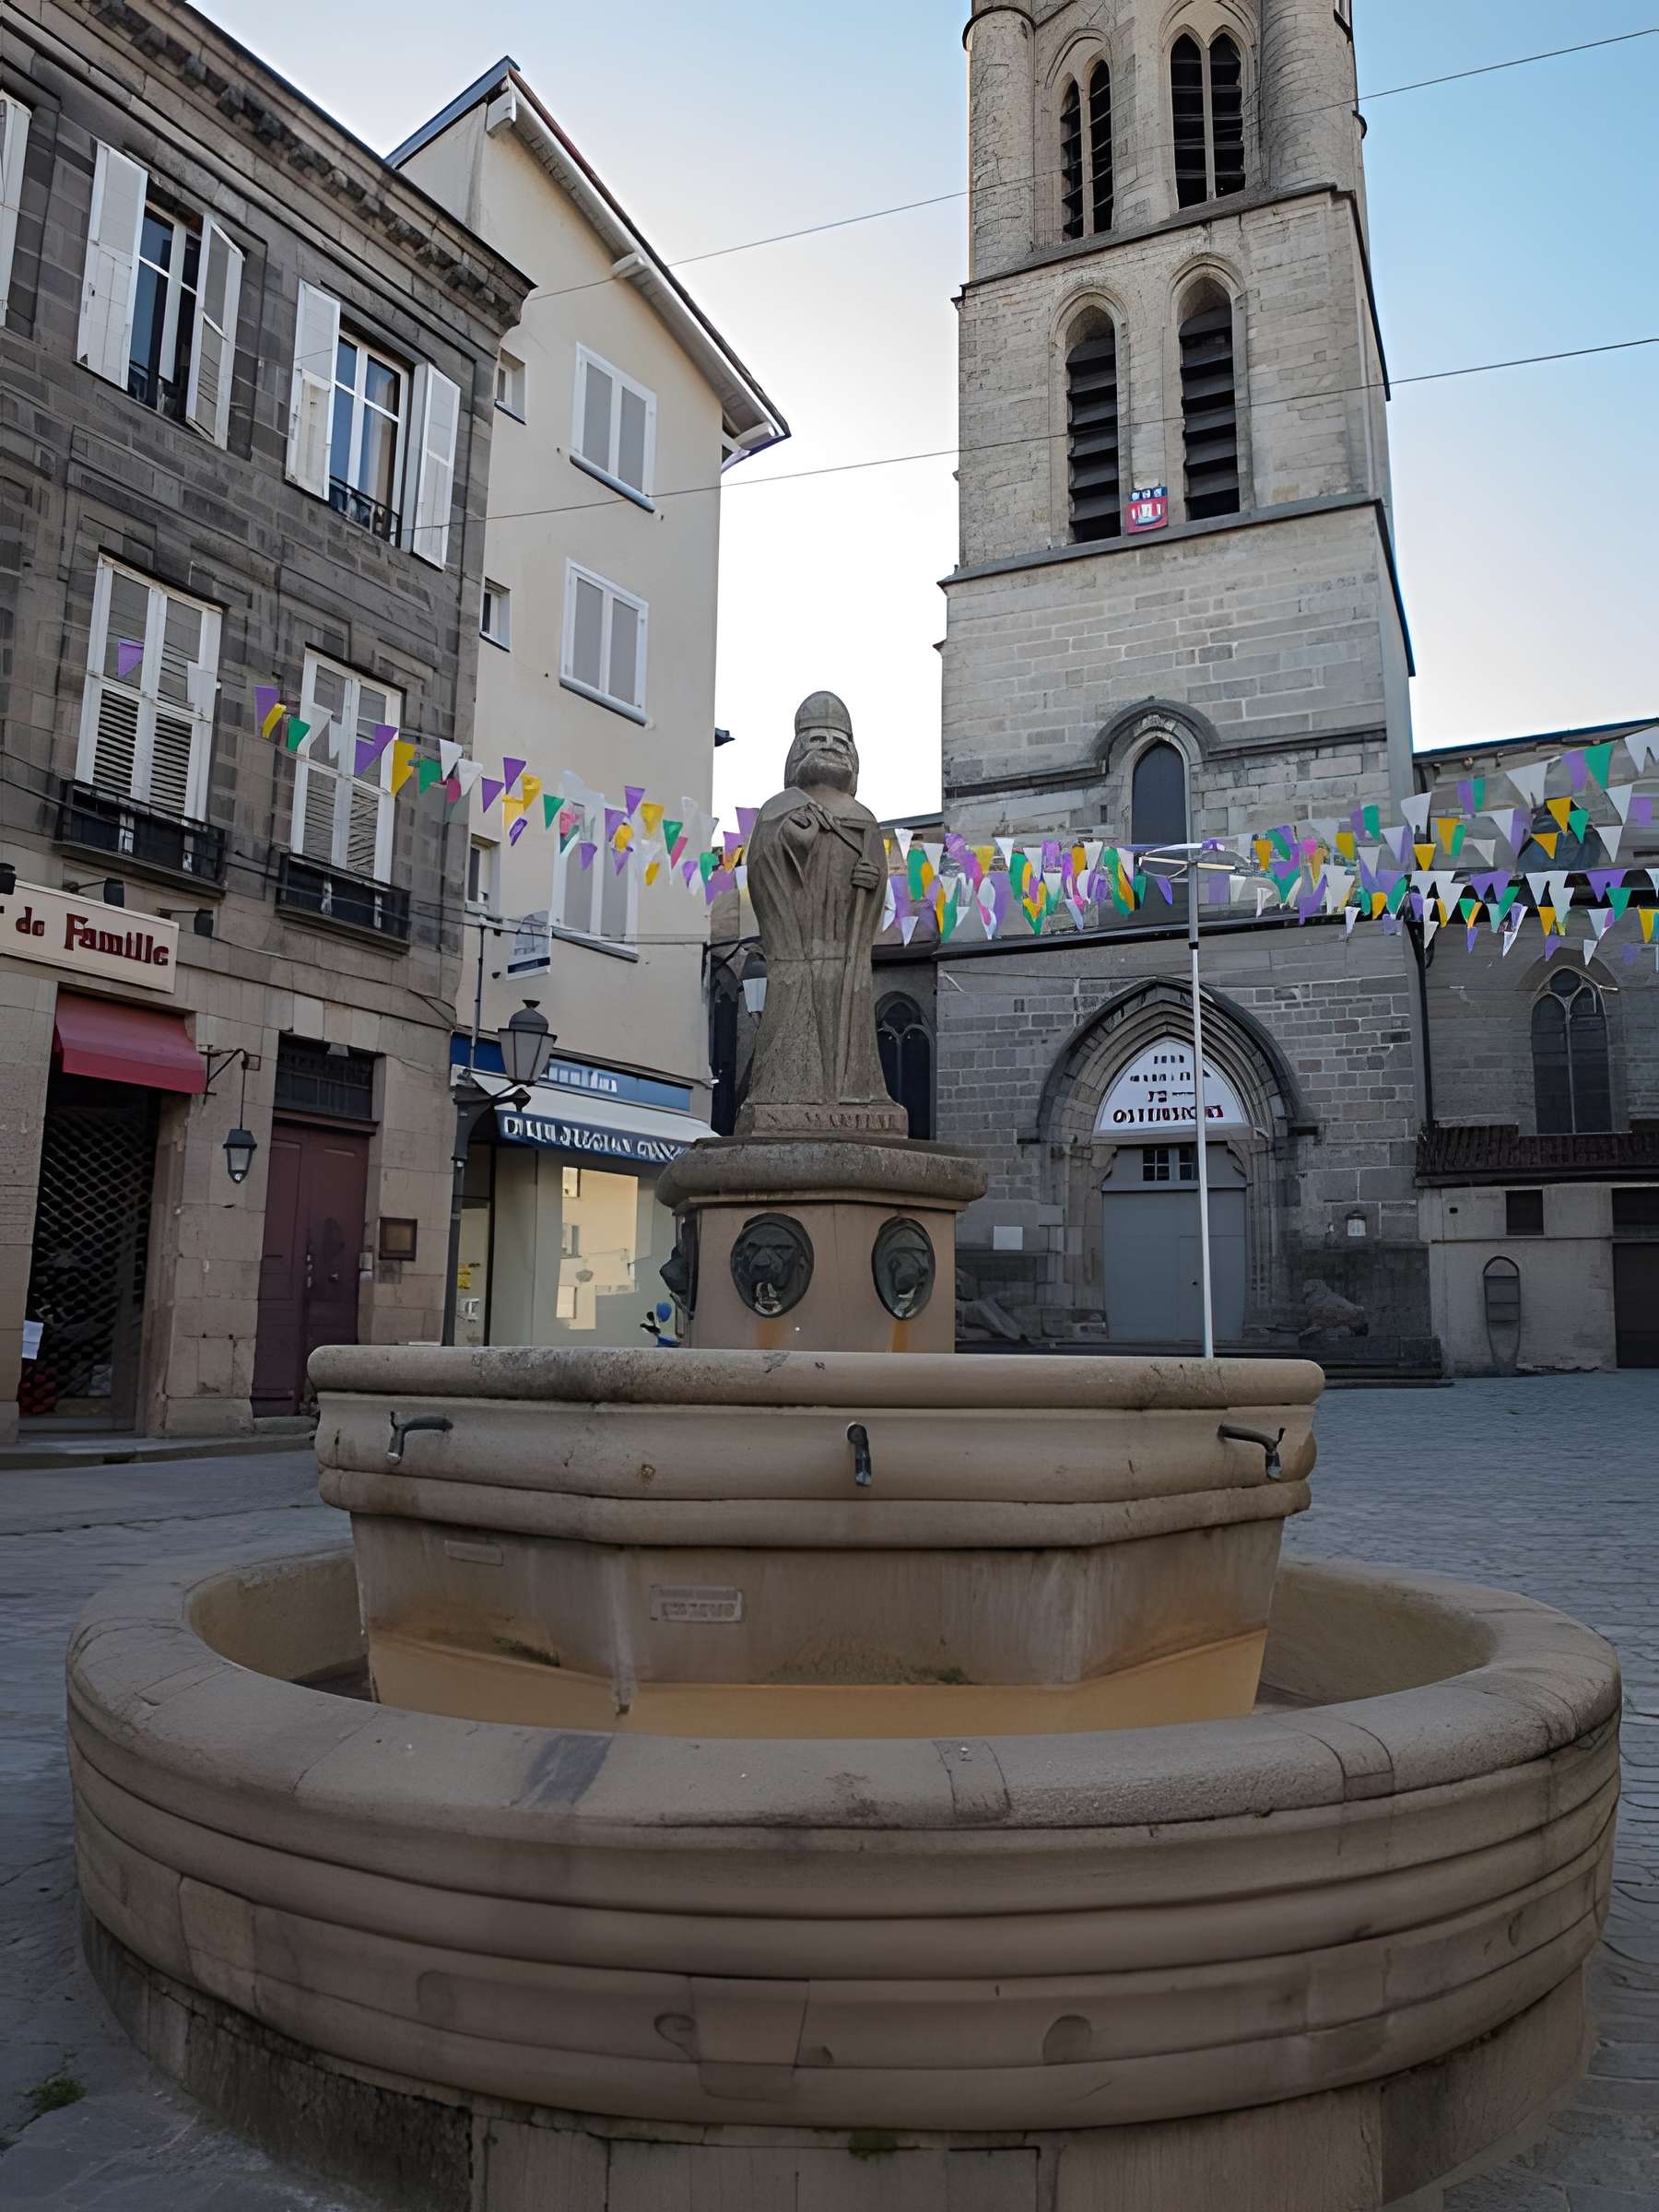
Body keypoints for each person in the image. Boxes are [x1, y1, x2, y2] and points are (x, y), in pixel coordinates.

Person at [739, 693, 906, 1136]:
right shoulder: (779, 810)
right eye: (817, 737)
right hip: (798, 943)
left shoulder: (864, 819)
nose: (830, 746)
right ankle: (782, 1092)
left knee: (850, 1007)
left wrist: (870, 884)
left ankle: (856, 1092)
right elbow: (761, 871)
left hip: (847, 950)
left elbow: (876, 884)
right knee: (795, 1004)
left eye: (839, 739)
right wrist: (794, 844)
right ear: (797, 751)